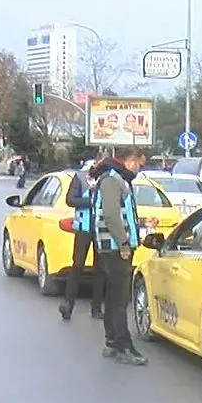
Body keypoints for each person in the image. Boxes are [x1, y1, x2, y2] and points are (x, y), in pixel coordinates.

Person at [92, 146, 149, 366]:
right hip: (114, 247)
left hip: (114, 245)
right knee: (120, 299)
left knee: (114, 296)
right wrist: (124, 243)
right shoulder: (112, 180)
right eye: (139, 164)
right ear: (131, 160)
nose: (139, 169)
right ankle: (123, 345)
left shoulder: (115, 178)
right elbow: (111, 214)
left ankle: (112, 342)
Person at [60, 154, 108, 321]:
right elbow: (70, 200)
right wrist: (92, 201)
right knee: (78, 266)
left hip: (102, 228)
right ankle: (68, 304)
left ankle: (96, 308)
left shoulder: (108, 178)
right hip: (84, 227)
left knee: (100, 269)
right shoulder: (80, 177)